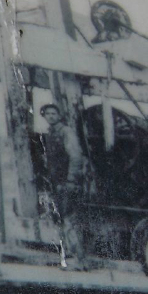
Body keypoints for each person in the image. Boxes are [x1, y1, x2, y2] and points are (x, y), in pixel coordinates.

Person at [40, 103, 87, 266]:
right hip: (58, 184)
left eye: (54, 113)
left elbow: (75, 156)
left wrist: (71, 180)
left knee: (69, 220)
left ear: (59, 116)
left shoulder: (66, 132)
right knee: (62, 219)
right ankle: (69, 257)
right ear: (45, 117)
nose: (51, 116)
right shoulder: (50, 134)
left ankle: (79, 260)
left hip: (67, 184)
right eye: (48, 114)